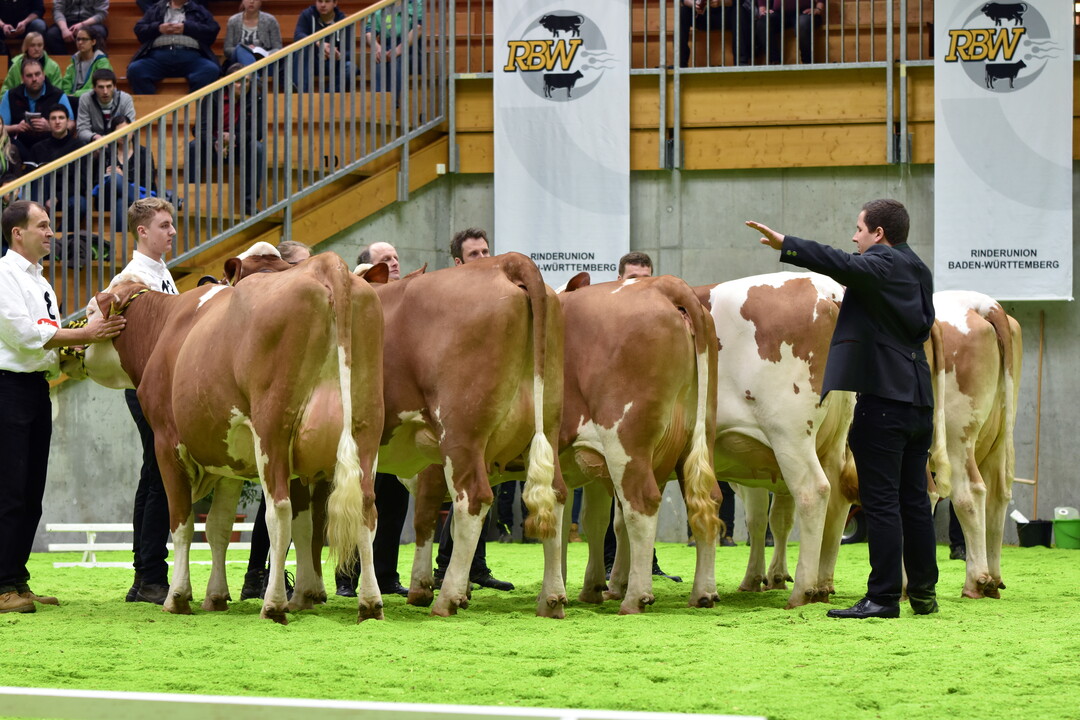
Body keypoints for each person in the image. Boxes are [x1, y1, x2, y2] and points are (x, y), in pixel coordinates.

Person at [746, 198, 938, 619]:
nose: (855, 237)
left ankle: (884, 597)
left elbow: (840, 263)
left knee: (882, 501)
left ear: (879, 235)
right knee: (913, 500)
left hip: (884, 401)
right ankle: (923, 592)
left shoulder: (883, 262)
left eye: (859, 229)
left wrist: (787, 244)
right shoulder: (918, 268)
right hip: (919, 400)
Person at [0, 199, 125, 614]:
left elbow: (48, 337)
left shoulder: (41, 281)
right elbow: (23, 334)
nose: (51, 232)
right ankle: (2, 585)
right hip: (8, 388)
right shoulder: (4, 275)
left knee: (31, 491)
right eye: (43, 225)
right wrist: (84, 333)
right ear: (18, 233)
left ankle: (16, 579)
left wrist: (79, 348)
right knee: (10, 489)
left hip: (36, 387)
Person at [429, 229, 515, 592]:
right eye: (474, 254)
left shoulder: (504, 296)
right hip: (448, 405)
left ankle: (473, 565)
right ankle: (444, 567)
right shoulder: (445, 296)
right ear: (458, 263)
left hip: (489, 397)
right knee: (461, 487)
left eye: (485, 251)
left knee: (482, 484)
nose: (483, 258)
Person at [334, 241, 410, 599]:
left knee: (393, 495)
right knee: (354, 488)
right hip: (357, 405)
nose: (394, 263)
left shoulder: (405, 302)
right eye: (385, 260)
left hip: (392, 408)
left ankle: (386, 573)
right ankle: (346, 576)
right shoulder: (354, 296)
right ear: (366, 269)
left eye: (395, 258)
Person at [600, 251, 683, 582]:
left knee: (644, 485)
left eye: (646, 278)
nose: (640, 285)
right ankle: (610, 562)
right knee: (608, 492)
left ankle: (645, 563)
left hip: (643, 411)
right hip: (608, 415)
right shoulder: (604, 315)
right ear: (620, 278)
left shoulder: (658, 319)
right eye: (634, 278)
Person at [113, 197, 180, 605]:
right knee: (161, 476)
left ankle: (145, 577)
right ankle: (152, 576)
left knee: (151, 475)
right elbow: (98, 311)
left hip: (152, 385)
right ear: (143, 231)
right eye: (164, 226)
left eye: (171, 225)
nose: (171, 232)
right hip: (146, 387)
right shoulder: (133, 275)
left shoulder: (159, 271)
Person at [77, 69, 155, 233]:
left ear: (114, 86)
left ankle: (121, 245)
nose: (105, 91)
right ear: (94, 88)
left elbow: (147, 182)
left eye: (108, 87)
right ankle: (148, 209)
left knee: (121, 202)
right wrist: (98, 140)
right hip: (105, 189)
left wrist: (122, 176)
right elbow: (81, 129)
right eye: (101, 87)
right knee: (112, 179)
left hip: (130, 194)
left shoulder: (142, 153)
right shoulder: (104, 155)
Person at [187, 63, 265, 215]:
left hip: (240, 147)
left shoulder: (256, 98)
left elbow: (257, 132)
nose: (242, 85)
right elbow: (199, 129)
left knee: (257, 148)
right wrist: (216, 140)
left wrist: (235, 138)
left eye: (246, 81)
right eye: (237, 81)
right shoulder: (213, 96)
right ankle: (192, 198)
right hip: (214, 147)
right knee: (194, 147)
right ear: (228, 81)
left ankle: (249, 202)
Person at [127, 0, 222, 95]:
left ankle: (192, 107)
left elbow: (212, 30)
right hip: (158, 57)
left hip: (191, 56)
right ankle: (152, 107)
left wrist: (187, 28)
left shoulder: (198, 10)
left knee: (211, 69)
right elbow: (139, 29)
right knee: (135, 69)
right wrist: (158, 28)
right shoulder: (156, 8)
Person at [26, 104, 85, 233]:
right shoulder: (38, 148)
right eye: (53, 118)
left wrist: (57, 197)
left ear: (68, 121)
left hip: (69, 193)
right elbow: (29, 178)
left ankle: (58, 238)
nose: (57, 122)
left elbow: (82, 181)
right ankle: (37, 234)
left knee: (80, 204)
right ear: (48, 121)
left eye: (61, 118)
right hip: (42, 192)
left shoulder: (79, 146)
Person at [0, 57, 73, 158]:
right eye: (29, 76)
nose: (34, 79)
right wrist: (16, 127)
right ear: (22, 78)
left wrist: (50, 126)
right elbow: (1, 127)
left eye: (37, 74)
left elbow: (71, 124)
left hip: (50, 145)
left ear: (43, 75)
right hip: (20, 145)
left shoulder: (58, 95)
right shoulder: (10, 95)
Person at [364, 0, 422, 100]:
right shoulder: (380, 7)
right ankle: (379, 103)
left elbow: (418, 28)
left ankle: (393, 104)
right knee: (379, 60)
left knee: (395, 61)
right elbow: (369, 32)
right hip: (387, 47)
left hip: (411, 51)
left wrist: (398, 50)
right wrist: (378, 48)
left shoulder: (415, 3)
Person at [292, 0, 351, 93]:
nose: (323, 5)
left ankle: (327, 96)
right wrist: (318, 43)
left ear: (335, 3)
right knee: (303, 49)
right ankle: (302, 94)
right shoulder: (307, 15)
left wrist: (338, 55)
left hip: (333, 63)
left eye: (327, 1)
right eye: (320, 1)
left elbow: (349, 51)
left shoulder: (343, 20)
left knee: (350, 68)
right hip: (312, 63)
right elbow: (298, 36)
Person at [679, 0, 751, 68]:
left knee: (739, 11)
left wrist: (722, 2)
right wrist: (693, 4)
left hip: (726, 14)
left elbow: (741, 1)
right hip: (701, 15)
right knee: (683, 11)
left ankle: (741, 62)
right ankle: (680, 63)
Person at [754, 0, 825, 65]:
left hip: (805, 12)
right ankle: (774, 62)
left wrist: (818, 9)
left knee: (803, 23)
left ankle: (808, 62)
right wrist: (762, 9)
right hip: (779, 13)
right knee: (763, 23)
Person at [60, 25, 112, 107]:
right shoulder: (72, 64)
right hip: (73, 101)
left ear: (93, 42)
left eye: (84, 39)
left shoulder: (102, 63)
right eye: (78, 39)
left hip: (93, 102)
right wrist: (67, 96)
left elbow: (100, 88)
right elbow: (66, 85)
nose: (80, 42)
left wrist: (76, 94)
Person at [224, 0, 283, 68]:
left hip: (263, 62)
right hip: (239, 63)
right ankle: (254, 77)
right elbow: (227, 49)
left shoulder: (270, 20)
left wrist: (265, 53)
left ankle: (252, 77)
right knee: (241, 48)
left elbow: (278, 48)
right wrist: (246, 50)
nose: (251, 1)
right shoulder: (233, 21)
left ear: (260, 2)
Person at [44, 0, 109, 58]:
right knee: (52, 34)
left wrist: (82, 24)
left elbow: (101, 13)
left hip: (90, 22)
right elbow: (57, 11)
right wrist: (64, 29)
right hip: (67, 22)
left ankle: (94, 62)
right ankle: (63, 62)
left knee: (99, 32)